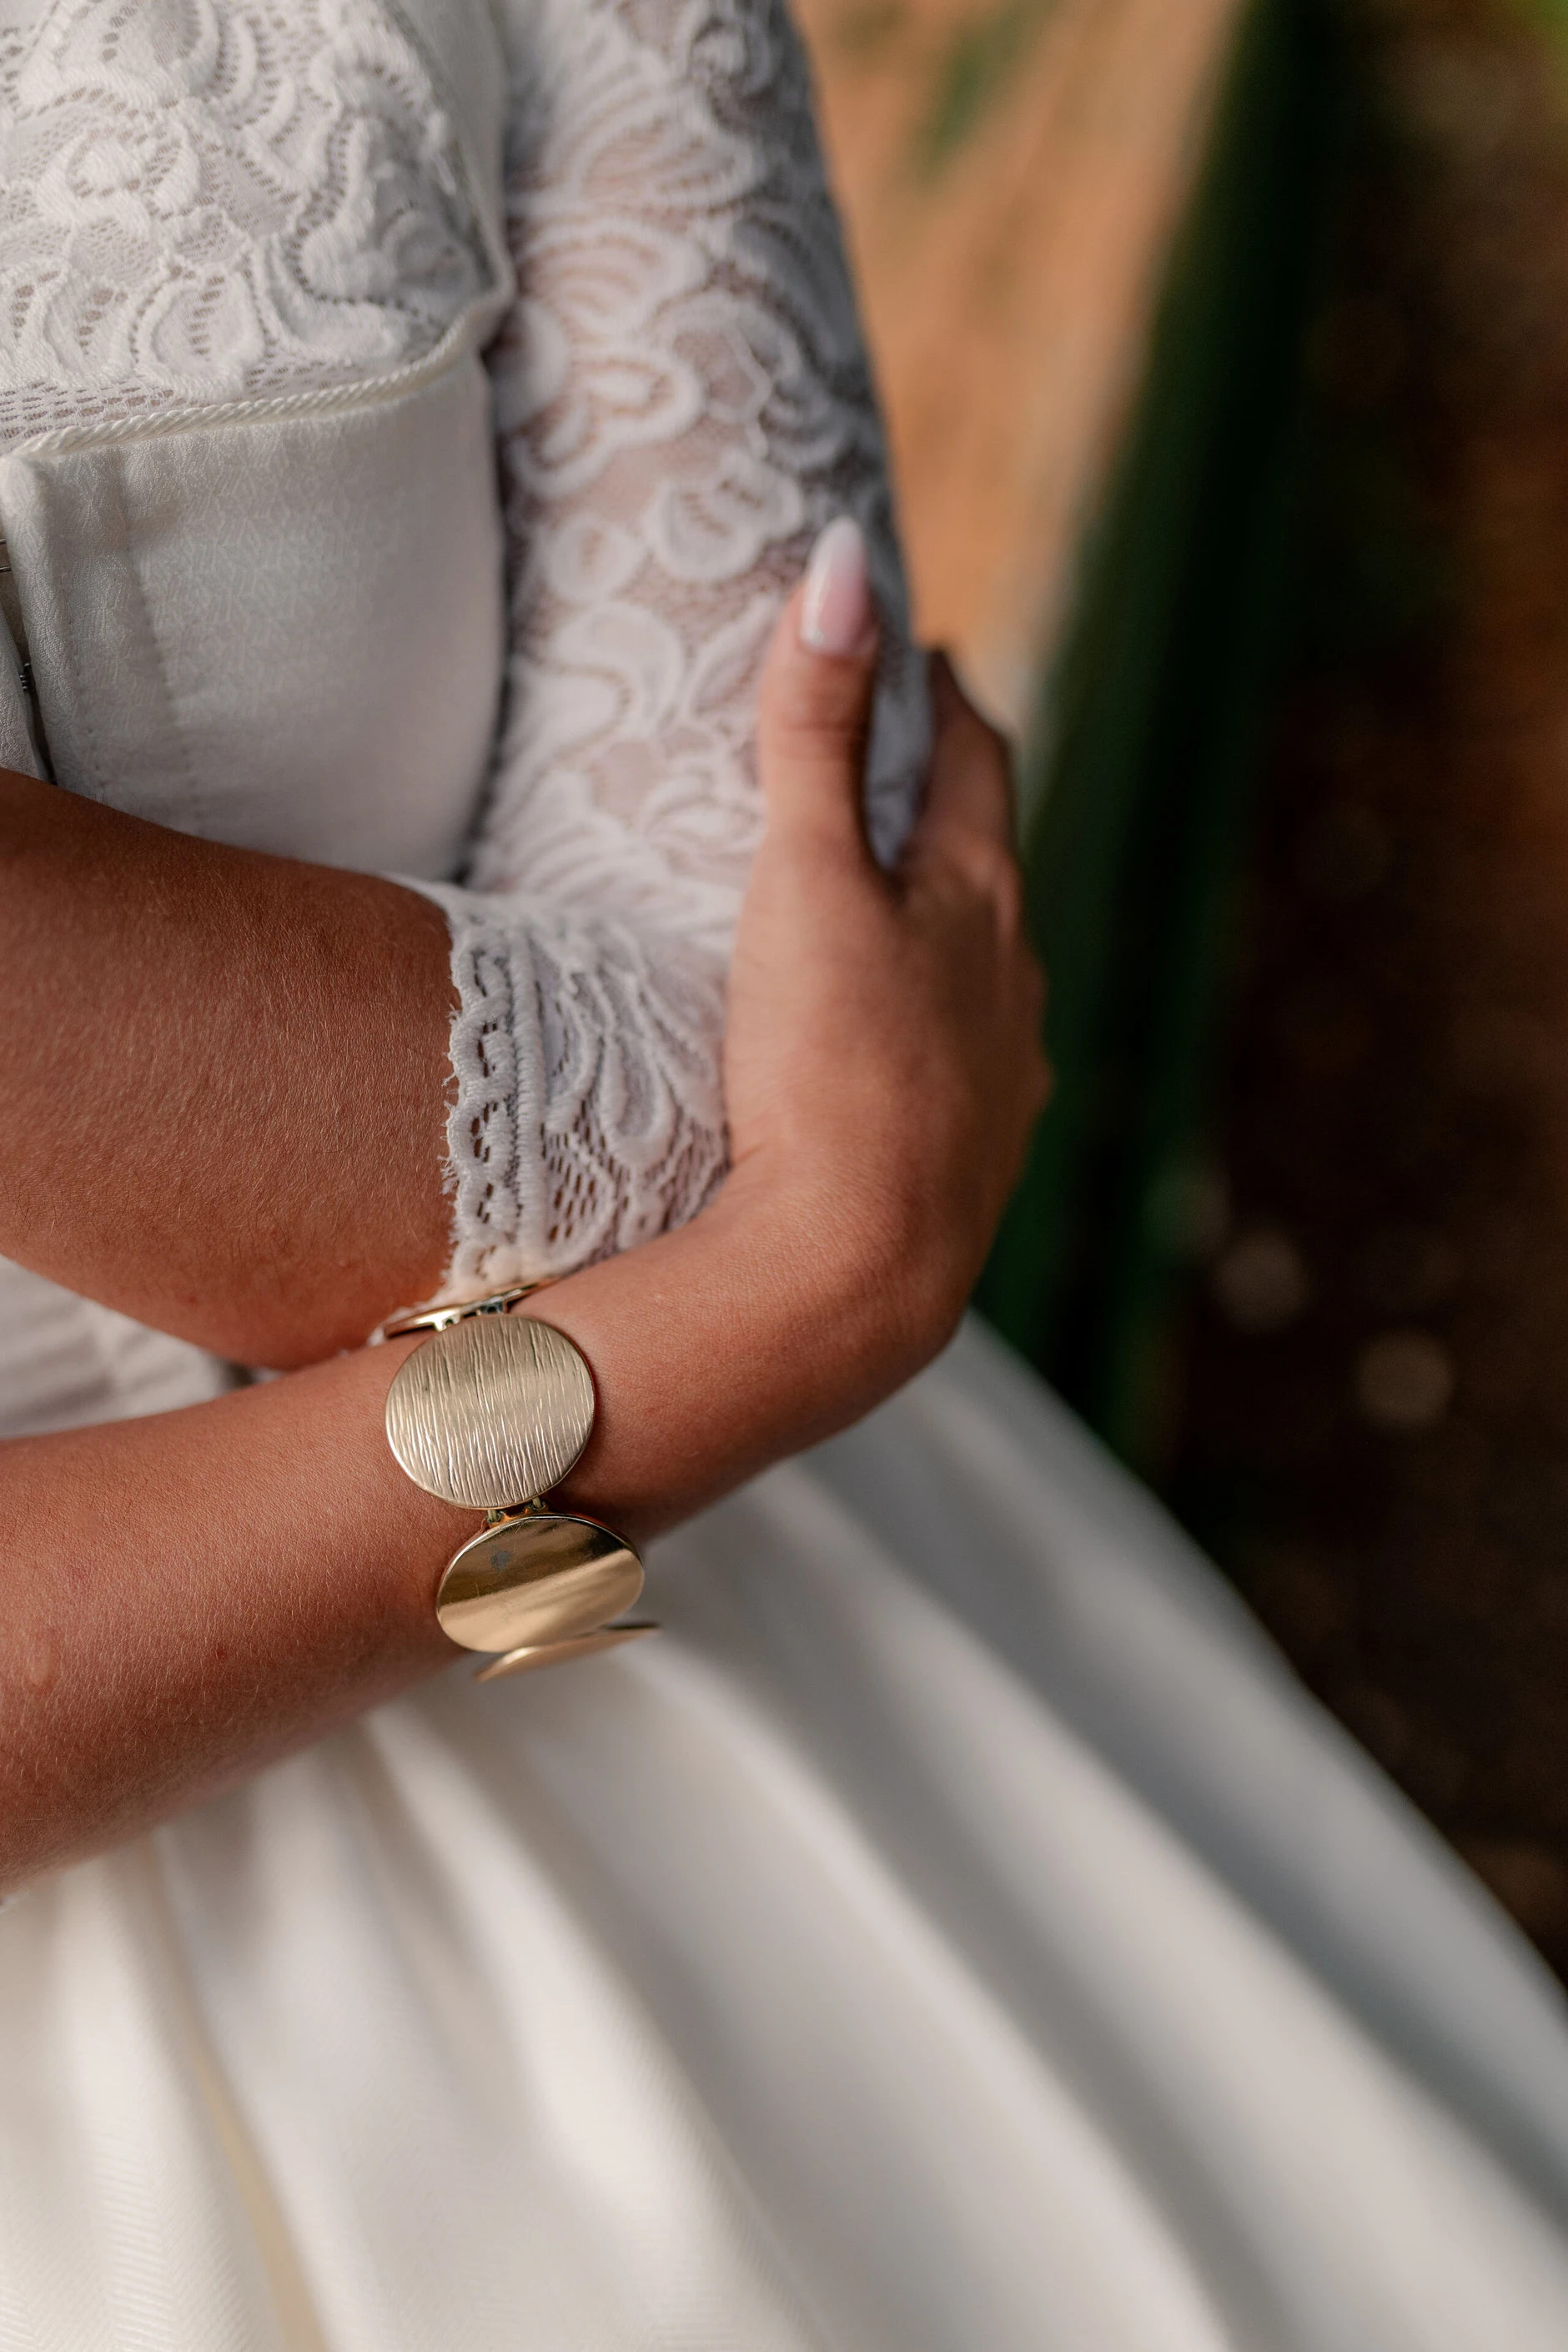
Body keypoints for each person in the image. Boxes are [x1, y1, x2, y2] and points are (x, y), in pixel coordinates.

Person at [3, 1, 1568, 2344]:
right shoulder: (802, 1304)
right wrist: (797, 1294)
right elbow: (799, 1159)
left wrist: (775, 1245)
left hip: (763, 1662)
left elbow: (756, 998)